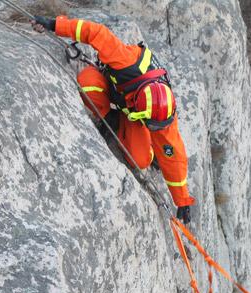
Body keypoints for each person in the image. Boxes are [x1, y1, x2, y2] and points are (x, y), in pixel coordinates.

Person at [31, 15, 196, 224]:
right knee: (88, 83)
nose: (155, 127)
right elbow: (96, 32)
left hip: (130, 112)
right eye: (151, 125)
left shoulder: (163, 112)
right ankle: (109, 119)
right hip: (118, 96)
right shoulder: (127, 62)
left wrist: (182, 200)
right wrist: (55, 24)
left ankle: (135, 136)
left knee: (140, 160)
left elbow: (174, 155)